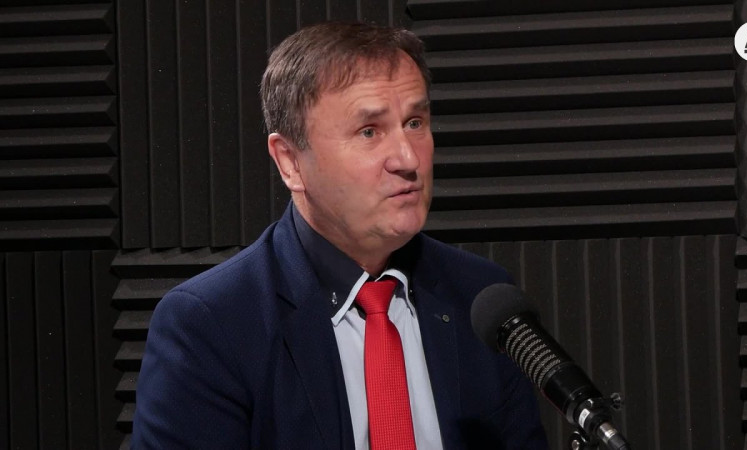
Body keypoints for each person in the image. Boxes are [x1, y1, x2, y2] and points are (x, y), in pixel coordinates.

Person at [132, 21, 549, 449]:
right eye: (369, 131)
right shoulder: (212, 325)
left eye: (415, 122)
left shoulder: (482, 299)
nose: (408, 159)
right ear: (290, 161)